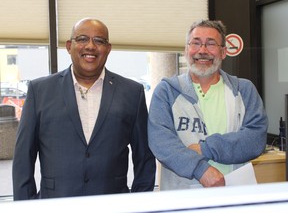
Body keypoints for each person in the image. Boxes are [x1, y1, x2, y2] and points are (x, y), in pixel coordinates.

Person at [12, 18, 156, 200]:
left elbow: (144, 158)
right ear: (69, 46)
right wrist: (26, 208)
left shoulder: (132, 93)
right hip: (54, 206)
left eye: (99, 41)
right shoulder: (39, 91)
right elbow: (23, 159)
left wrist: (139, 204)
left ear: (108, 49)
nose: (90, 46)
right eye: (82, 39)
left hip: (114, 206)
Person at [148, 20, 268, 190]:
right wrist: (201, 169)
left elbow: (255, 139)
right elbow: (161, 142)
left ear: (223, 52)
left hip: (234, 194)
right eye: (196, 43)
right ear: (186, 50)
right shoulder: (166, 91)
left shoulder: (244, 89)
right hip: (182, 198)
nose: (202, 51)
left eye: (211, 44)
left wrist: (206, 149)